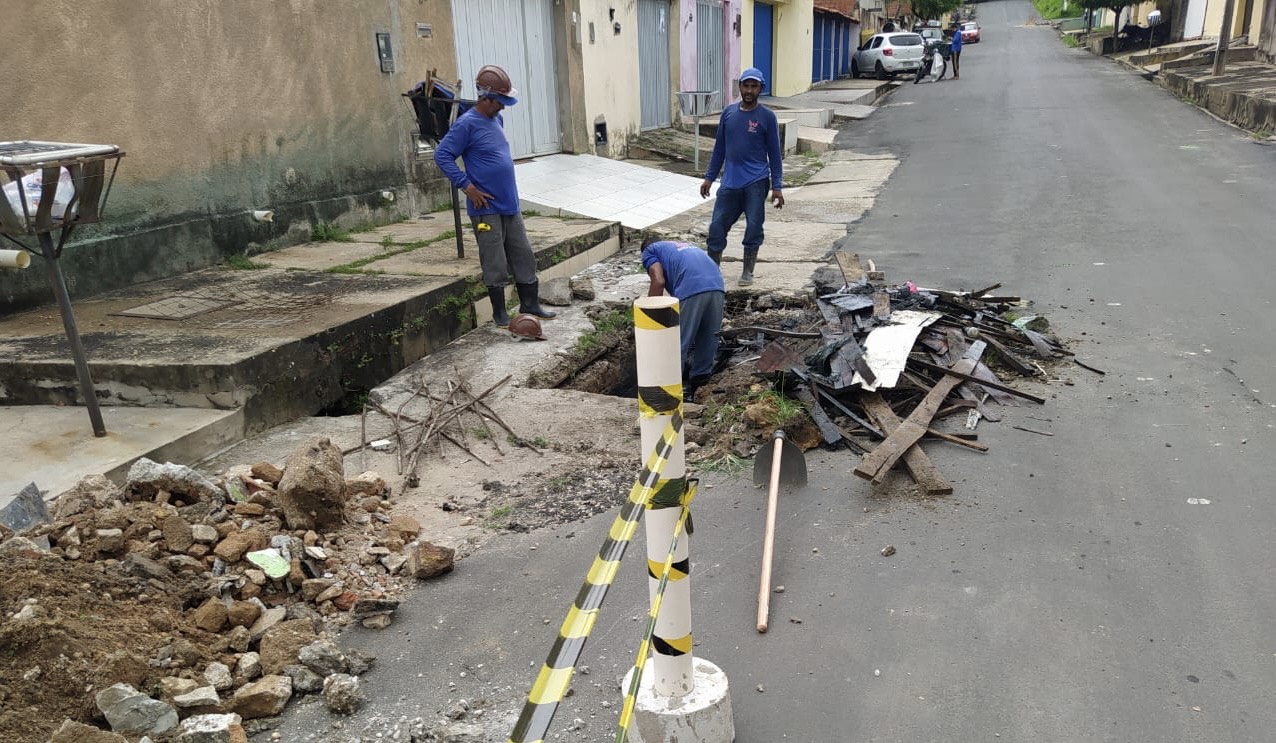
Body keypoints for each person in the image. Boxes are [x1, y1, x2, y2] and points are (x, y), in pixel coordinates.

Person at [434, 64, 555, 327]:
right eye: (500, 101)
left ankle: (530, 303)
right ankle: (500, 312)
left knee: (522, 252)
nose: (503, 106)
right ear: (486, 98)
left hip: (509, 203)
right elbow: (442, 155)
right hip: (485, 206)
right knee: (494, 258)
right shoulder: (466, 124)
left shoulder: (496, 119)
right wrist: (467, 186)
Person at [700, 67, 784, 288]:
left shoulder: (767, 117)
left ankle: (747, 271)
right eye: (746, 86)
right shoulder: (728, 113)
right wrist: (709, 177)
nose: (749, 90)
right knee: (717, 226)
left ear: (760, 89)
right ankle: (711, 272)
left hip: (756, 182)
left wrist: (777, 186)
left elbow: (775, 154)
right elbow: (719, 148)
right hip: (729, 182)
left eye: (754, 86)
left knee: (754, 226)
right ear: (740, 87)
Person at [641, 237, 725, 397]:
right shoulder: (684, 246)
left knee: (678, 342)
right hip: (717, 286)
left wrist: (649, 315)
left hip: (691, 288)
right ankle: (699, 385)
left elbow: (658, 281)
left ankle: (668, 391)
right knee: (708, 338)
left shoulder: (650, 251)